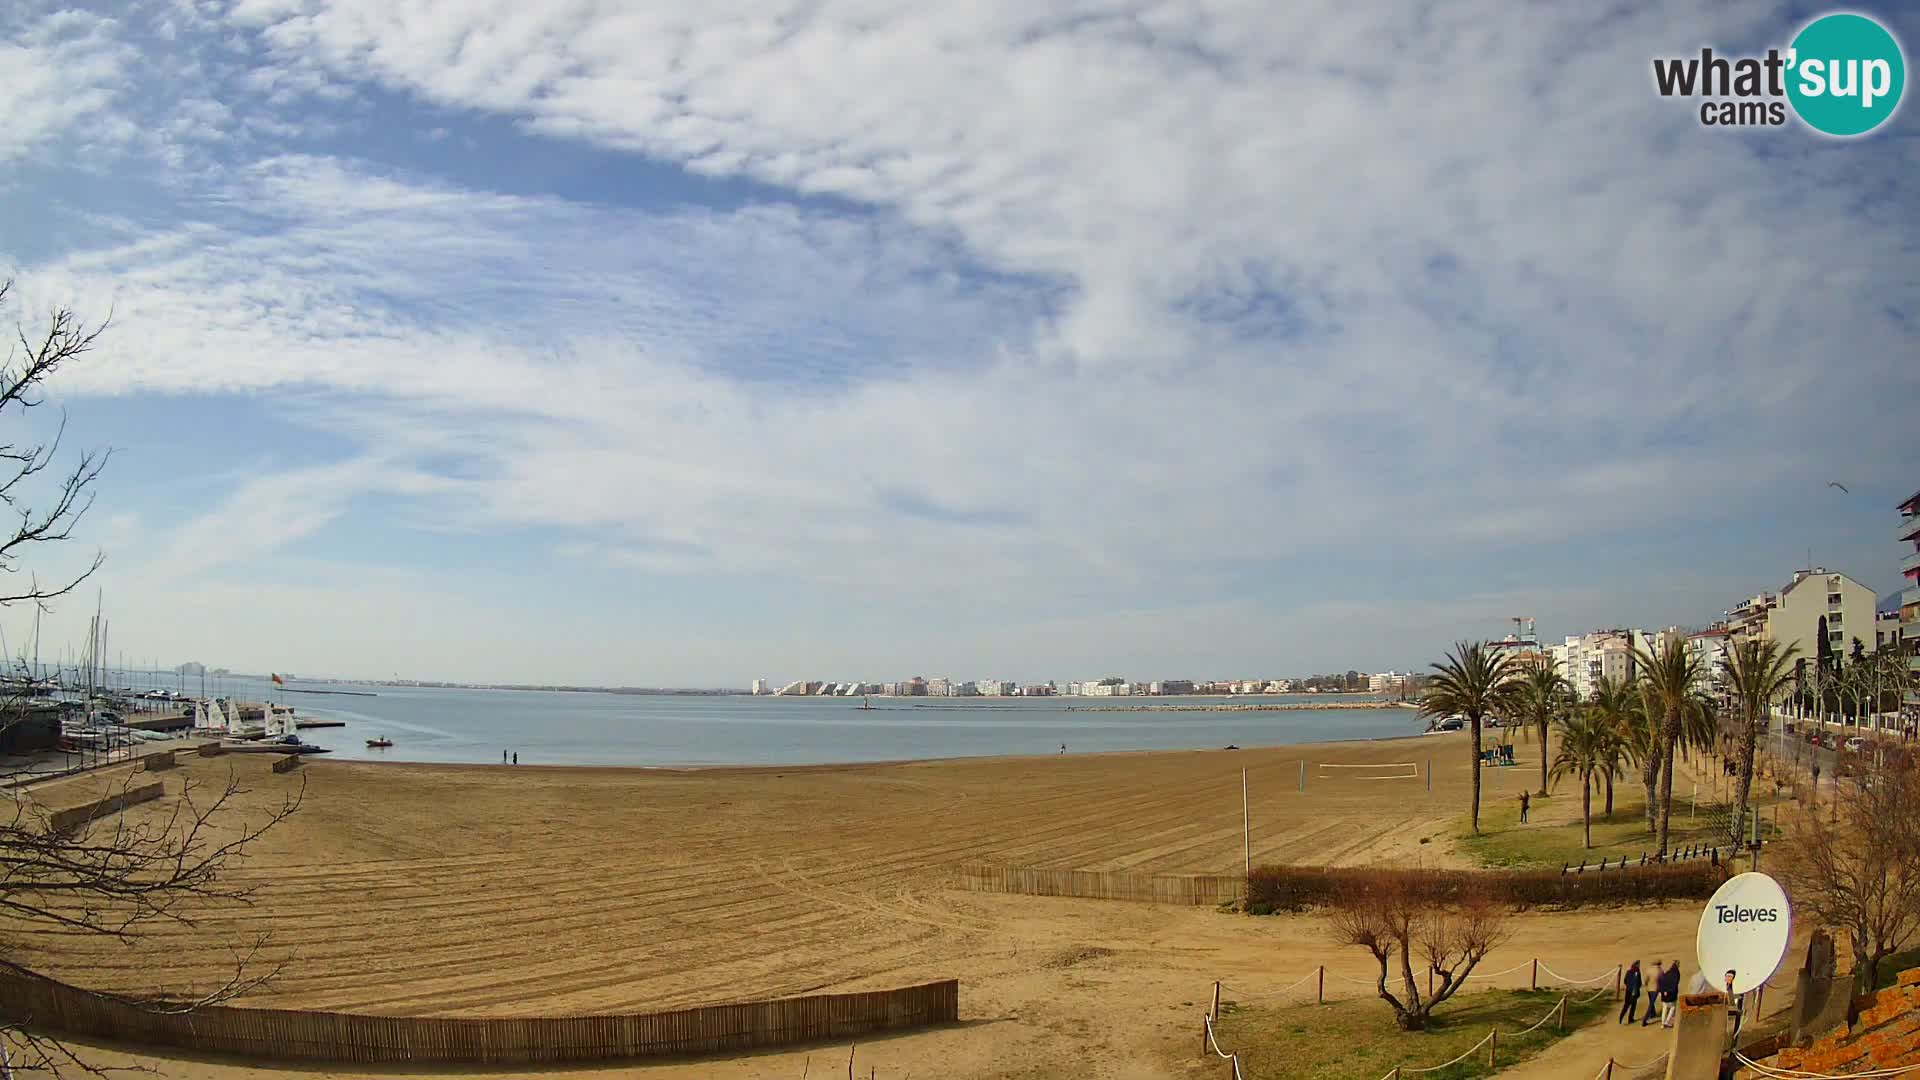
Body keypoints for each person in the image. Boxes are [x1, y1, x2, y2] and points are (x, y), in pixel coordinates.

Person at [1658, 959, 1682, 1028]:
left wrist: (1663, 991)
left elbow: (1662, 981)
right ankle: (1667, 1022)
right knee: (1673, 1008)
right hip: (1671, 994)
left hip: (1664, 994)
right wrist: (1670, 991)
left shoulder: (1668, 972)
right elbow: (1675, 984)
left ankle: (1662, 1023)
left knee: (1664, 1008)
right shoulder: (1676, 973)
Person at [1642, 961, 1664, 1026]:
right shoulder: (1660, 971)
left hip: (1649, 988)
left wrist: (1646, 985)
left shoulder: (1649, 970)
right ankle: (1645, 1020)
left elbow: (1646, 980)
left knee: (1651, 1002)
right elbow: (1662, 980)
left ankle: (1653, 1013)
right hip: (1655, 989)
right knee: (1651, 1004)